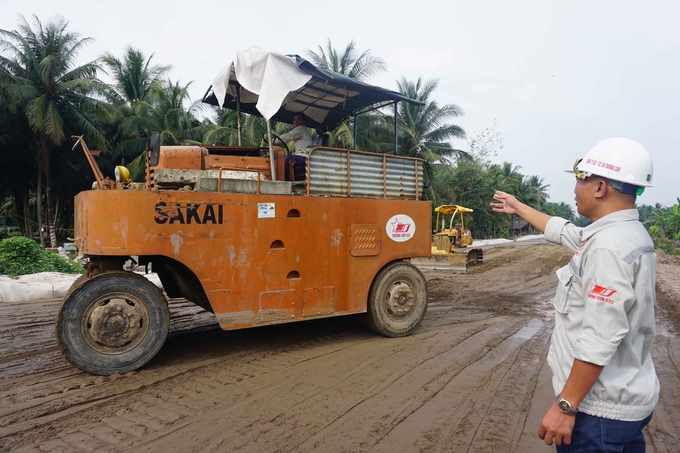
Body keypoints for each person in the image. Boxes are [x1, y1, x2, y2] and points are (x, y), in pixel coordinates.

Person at [490, 137, 659, 452]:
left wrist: (565, 405)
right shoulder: (625, 234)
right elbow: (569, 232)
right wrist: (519, 207)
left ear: (600, 187)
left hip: (596, 414)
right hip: (625, 404)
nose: (574, 188)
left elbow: (600, 335)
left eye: (580, 179)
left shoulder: (608, 246)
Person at [266, 113, 312, 181]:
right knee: (284, 157)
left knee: (286, 159)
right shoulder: (303, 130)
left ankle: (285, 181)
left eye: (299, 119)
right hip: (302, 155)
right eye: (294, 120)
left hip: (304, 157)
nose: (296, 122)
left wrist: (270, 141)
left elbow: (286, 137)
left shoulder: (301, 129)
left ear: (303, 122)